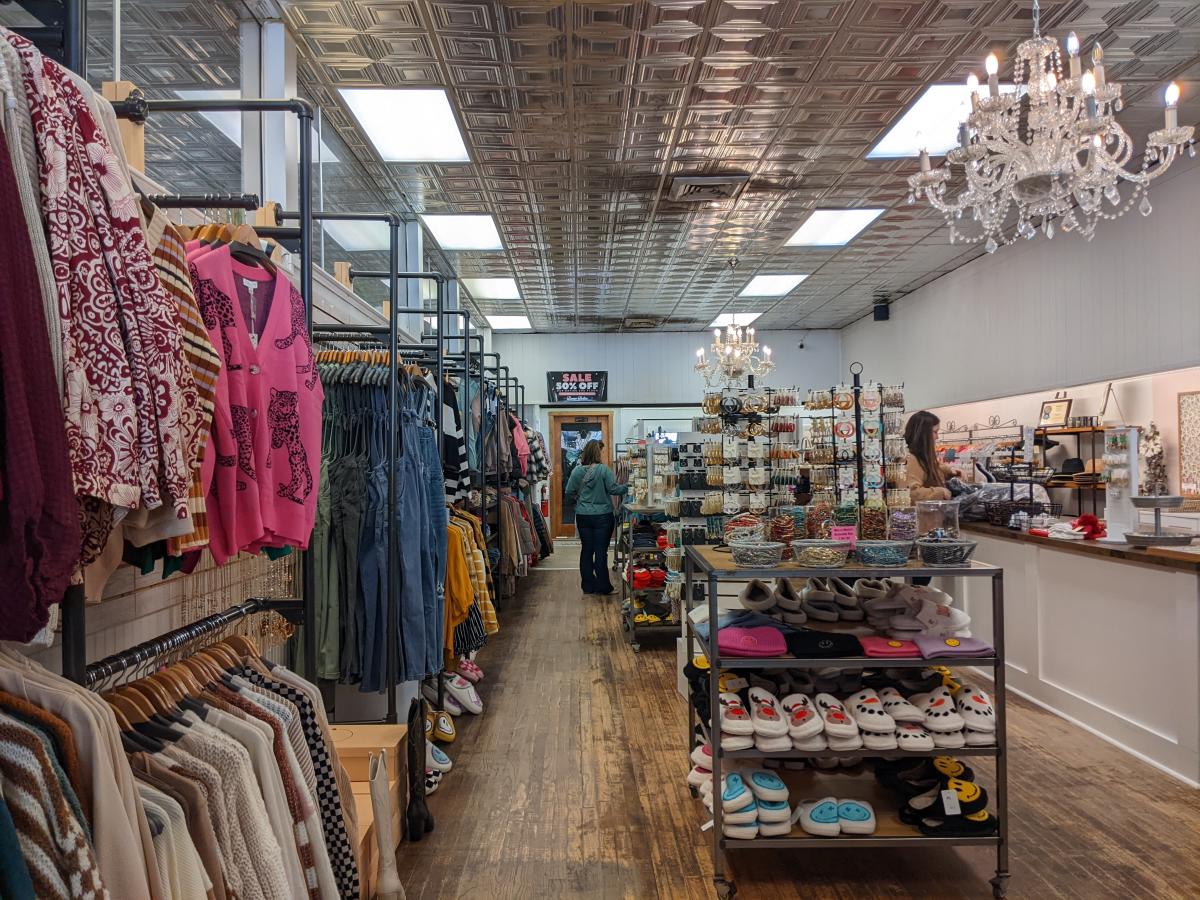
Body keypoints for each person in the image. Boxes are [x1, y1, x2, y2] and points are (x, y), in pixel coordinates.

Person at [565, 439, 628, 596]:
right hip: (602, 516)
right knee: (601, 551)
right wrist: (629, 486)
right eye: (601, 451)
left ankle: (588, 586)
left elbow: (569, 492)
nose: (602, 454)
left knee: (586, 550)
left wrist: (580, 501)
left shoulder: (577, 471)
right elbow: (614, 490)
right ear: (597, 453)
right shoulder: (604, 470)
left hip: (583, 516)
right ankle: (603, 587)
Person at [903, 410, 962, 501]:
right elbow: (911, 493)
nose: (937, 437)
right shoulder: (911, 459)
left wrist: (951, 472)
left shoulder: (922, 456)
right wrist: (939, 492)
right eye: (935, 432)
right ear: (923, 433)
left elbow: (933, 468)